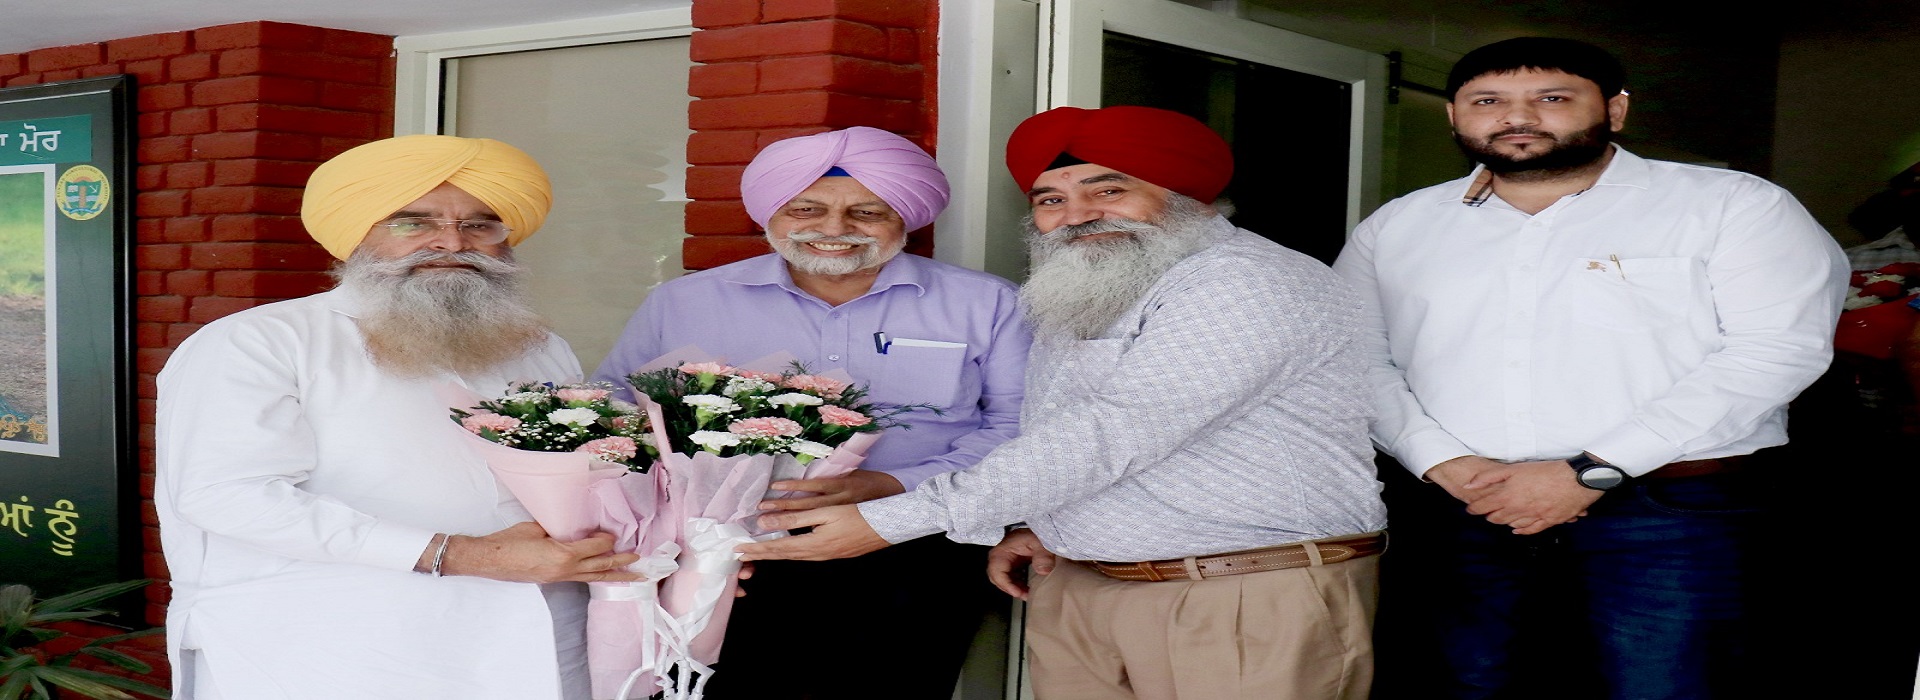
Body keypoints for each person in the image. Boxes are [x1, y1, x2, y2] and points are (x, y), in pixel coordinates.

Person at [738, 106, 1390, 700]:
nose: (1075, 215)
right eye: (1052, 198)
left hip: (1237, 593)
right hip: (1081, 587)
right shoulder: (1080, 290)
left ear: (1193, 201)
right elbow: (1051, 432)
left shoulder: (1248, 283)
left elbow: (1114, 433)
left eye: (1110, 190)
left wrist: (889, 520)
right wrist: (1036, 525)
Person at [1331, 38, 1847, 699]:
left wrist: (1591, 470)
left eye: (1551, 98)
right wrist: (1441, 465)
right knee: (1463, 683)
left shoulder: (1731, 205)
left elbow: (1776, 351)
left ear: (1616, 110)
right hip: (1464, 511)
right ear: (1455, 118)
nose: (1518, 118)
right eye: (1488, 102)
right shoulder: (1398, 227)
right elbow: (1351, 357)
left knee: (1669, 686)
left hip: (1672, 515)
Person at [156, 135, 643, 700]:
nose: (452, 242)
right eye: (413, 223)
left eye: (481, 225)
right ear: (354, 236)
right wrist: (462, 555)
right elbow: (227, 496)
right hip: (332, 652)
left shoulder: (539, 347)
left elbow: (592, 478)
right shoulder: (260, 341)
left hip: (542, 639)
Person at [592, 126, 1031, 699]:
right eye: (808, 207)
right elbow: (621, 417)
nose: (835, 228)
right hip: (728, 555)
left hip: (912, 549)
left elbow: (1019, 429)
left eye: (867, 211)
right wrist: (668, 535)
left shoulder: (986, 303)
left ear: (906, 217)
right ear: (771, 213)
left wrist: (889, 484)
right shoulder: (684, 302)